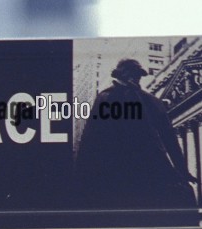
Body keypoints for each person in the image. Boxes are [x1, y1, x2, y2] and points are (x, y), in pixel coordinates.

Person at [75, 57, 198, 218]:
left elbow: (170, 139)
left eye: (138, 74)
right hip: (117, 168)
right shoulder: (105, 98)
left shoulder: (151, 101)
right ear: (120, 74)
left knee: (179, 200)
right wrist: (83, 174)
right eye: (132, 73)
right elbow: (91, 140)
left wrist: (182, 170)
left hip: (151, 164)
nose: (136, 78)